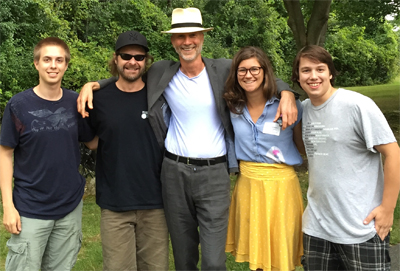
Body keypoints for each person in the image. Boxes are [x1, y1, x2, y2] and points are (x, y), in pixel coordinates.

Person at [77, 8, 299, 271]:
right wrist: (94, 85)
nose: (187, 41)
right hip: (174, 172)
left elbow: (260, 75)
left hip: (214, 173)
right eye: (180, 36)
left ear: (202, 38)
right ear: (173, 41)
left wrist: (287, 93)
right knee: (183, 257)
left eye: (192, 35)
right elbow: (128, 76)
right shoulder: (162, 72)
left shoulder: (224, 70)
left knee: (214, 261)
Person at [291, 45, 400, 270]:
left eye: (320, 69)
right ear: (298, 76)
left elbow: (393, 153)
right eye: (306, 70)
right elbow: (303, 150)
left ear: (330, 73)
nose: (313, 76)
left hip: (360, 227)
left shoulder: (357, 105)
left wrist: (388, 209)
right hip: (317, 228)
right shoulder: (303, 110)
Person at [0, 37, 95, 271]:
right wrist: (8, 207)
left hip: (69, 207)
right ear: (36, 64)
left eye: (59, 60)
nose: (53, 65)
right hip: (30, 208)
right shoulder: (18, 105)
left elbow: (93, 142)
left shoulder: (76, 102)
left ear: (66, 65)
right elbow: (5, 154)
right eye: (47, 59)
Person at [84, 30, 168, 271]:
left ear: (146, 61)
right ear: (116, 58)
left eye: (139, 57)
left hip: (155, 202)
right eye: (126, 56)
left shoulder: (159, 95)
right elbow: (91, 141)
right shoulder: (98, 99)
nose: (132, 61)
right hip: (115, 203)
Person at [224, 46, 304, 271]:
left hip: (282, 186)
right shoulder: (233, 107)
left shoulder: (288, 105)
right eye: (242, 70)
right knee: (258, 256)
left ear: (265, 71)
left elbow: (303, 146)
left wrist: (287, 92)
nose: (248, 75)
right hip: (249, 184)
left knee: (281, 254)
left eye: (254, 69)